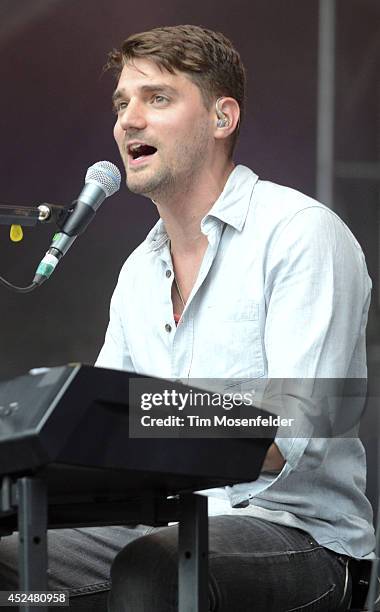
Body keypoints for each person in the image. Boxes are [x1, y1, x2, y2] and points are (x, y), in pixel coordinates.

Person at [0, 24, 374, 612]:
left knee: (157, 572)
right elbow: (102, 427)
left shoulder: (302, 234)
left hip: (302, 541)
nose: (128, 119)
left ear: (222, 119)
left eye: (157, 98)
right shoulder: (137, 273)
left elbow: (294, 430)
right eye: (122, 103)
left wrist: (145, 416)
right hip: (154, 528)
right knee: (12, 566)